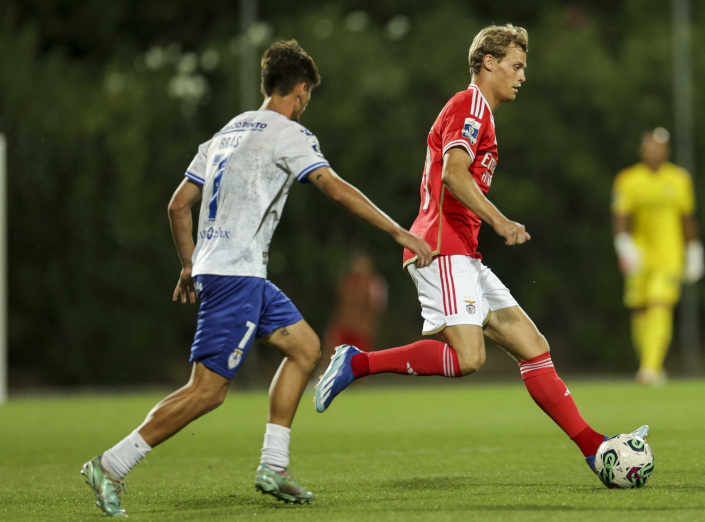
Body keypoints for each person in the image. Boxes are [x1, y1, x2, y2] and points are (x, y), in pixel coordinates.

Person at [80, 40, 433, 517]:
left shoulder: (225, 133)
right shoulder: (290, 133)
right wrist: (397, 231)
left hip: (231, 271)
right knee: (207, 391)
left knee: (306, 349)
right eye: (308, 96)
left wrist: (190, 264)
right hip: (235, 276)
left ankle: (274, 466)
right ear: (301, 90)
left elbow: (177, 205)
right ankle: (111, 465)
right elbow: (334, 189)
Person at [313, 24, 647, 487]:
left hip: (463, 253)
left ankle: (595, 450)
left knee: (534, 348)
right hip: (440, 246)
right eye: (516, 65)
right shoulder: (470, 105)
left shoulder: (482, 113)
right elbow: (453, 173)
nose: (522, 76)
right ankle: (356, 363)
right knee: (468, 358)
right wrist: (501, 221)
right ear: (488, 63)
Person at [610, 128, 705, 386]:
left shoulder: (679, 178)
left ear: (667, 150)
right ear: (642, 149)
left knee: (660, 303)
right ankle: (649, 363)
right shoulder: (628, 179)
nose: (655, 151)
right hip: (640, 254)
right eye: (650, 146)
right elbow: (621, 216)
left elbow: (687, 218)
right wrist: (624, 245)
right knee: (640, 309)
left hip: (669, 256)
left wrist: (694, 250)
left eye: (659, 147)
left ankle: (650, 368)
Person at [324, 251, 388, 353]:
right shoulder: (345, 281)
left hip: (361, 331)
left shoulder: (375, 283)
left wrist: (371, 332)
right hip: (343, 327)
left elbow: (377, 311)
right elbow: (339, 306)